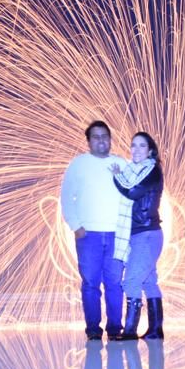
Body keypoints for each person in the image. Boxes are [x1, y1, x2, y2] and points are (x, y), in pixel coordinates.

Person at [60, 121, 126, 340]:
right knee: (90, 284)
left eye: (105, 136)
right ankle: (93, 330)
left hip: (116, 234)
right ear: (88, 141)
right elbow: (67, 196)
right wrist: (75, 226)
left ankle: (115, 328)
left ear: (110, 139)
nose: (101, 140)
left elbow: (131, 194)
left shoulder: (120, 163)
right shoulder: (78, 164)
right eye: (96, 137)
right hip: (89, 235)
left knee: (115, 283)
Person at [110, 132, 164, 340]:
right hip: (142, 233)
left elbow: (131, 193)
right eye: (133, 146)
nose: (136, 150)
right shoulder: (138, 171)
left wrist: (116, 176)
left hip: (146, 234)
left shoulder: (151, 171)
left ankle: (130, 331)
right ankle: (155, 330)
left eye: (142, 146)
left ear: (150, 150)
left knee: (131, 281)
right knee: (149, 281)